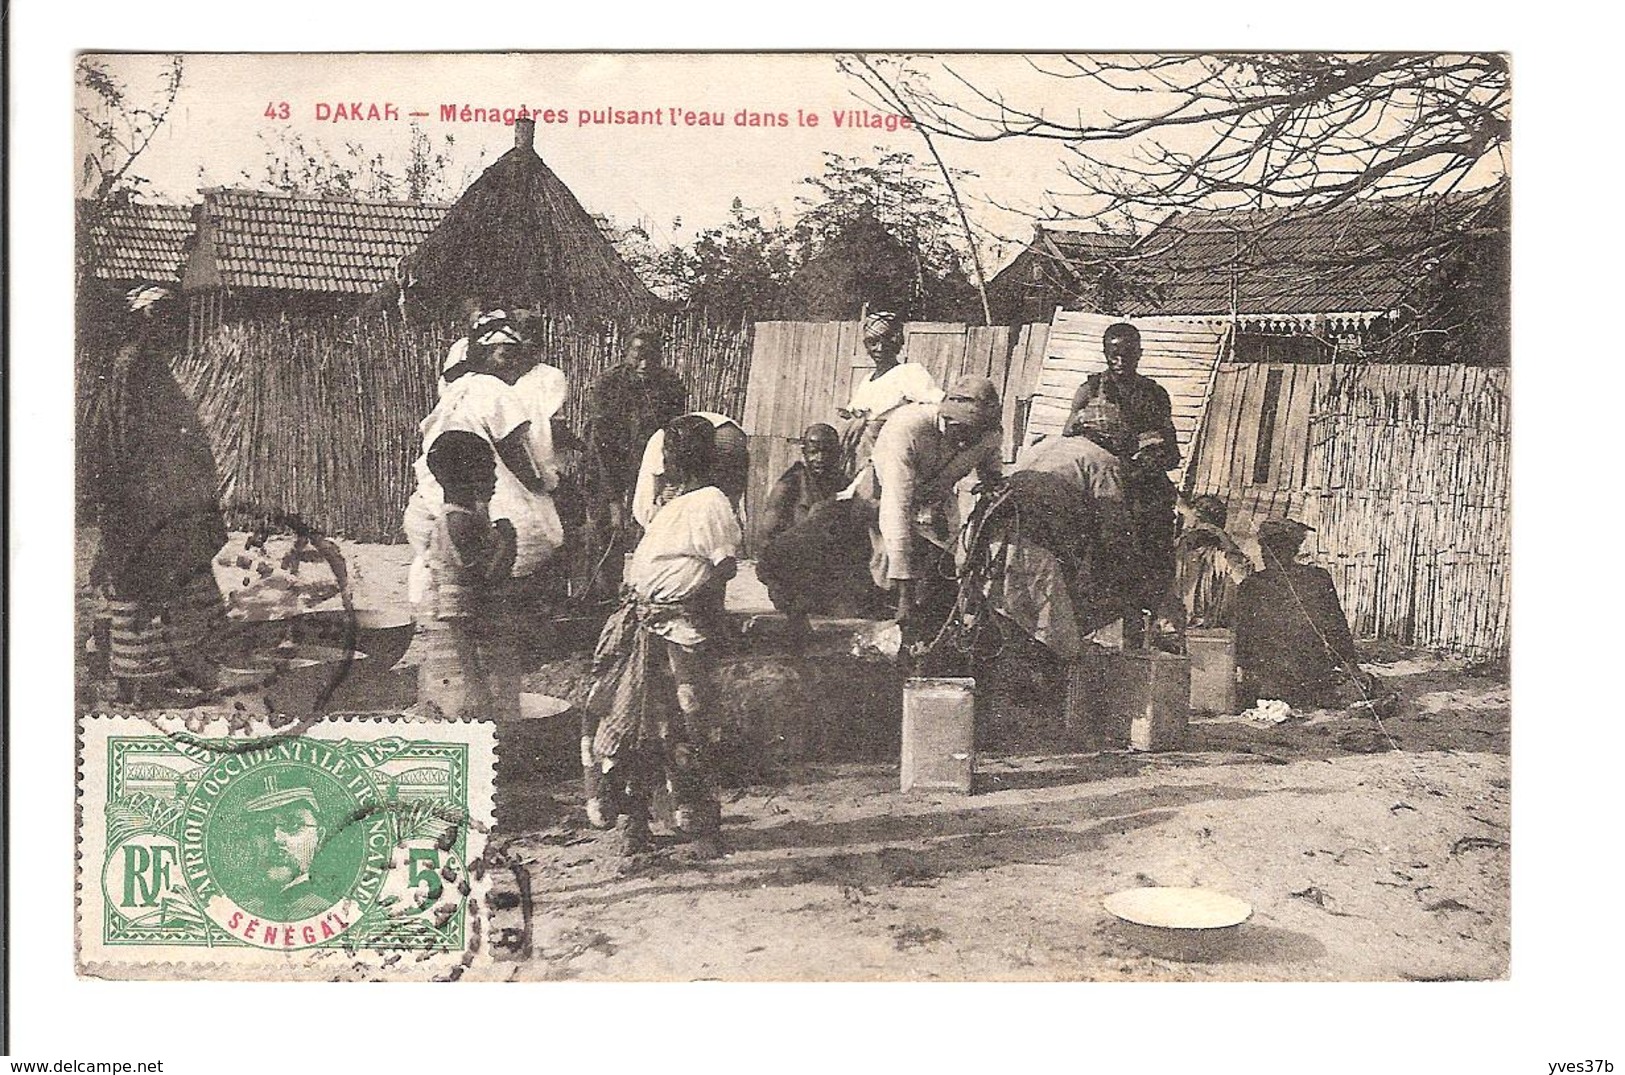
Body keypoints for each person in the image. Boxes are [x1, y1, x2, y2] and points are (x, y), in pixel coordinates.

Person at [580, 416, 742, 858]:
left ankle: (700, 823)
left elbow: (724, 565)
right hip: (644, 628)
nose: (675, 459)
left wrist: (686, 602)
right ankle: (636, 819)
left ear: (704, 457)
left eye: (684, 451)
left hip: (680, 630)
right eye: (672, 451)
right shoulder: (673, 503)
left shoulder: (711, 501)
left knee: (690, 725)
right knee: (638, 725)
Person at [403, 322, 562, 716]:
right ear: (483, 358)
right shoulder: (493, 390)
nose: (511, 361)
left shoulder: (455, 393)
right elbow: (514, 452)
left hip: (433, 500)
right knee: (537, 537)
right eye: (503, 354)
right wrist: (543, 485)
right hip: (464, 507)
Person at [80, 286, 228, 703]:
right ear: (148, 322)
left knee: (174, 573)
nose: (172, 329)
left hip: (160, 495)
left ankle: (161, 666)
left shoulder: (147, 367)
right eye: (164, 320)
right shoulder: (134, 368)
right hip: (143, 498)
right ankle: (140, 682)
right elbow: (128, 441)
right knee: (142, 578)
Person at [978, 395, 1137, 657]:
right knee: (1049, 636)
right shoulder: (1102, 459)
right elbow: (1114, 529)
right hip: (1034, 542)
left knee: (1003, 616)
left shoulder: (1045, 445)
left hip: (991, 535)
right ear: (1111, 437)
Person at [852, 374, 1004, 643]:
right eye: (963, 433)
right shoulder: (908, 427)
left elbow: (990, 466)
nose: (966, 443)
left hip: (933, 504)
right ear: (947, 419)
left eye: (976, 435)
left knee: (941, 583)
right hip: (879, 499)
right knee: (885, 577)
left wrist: (992, 483)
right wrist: (905, 596)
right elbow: (896, 508)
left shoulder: (987, 434)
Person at [1062, 322, 1180, 643]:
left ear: (1139, 353)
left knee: (1151, 571)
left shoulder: (1153, 394)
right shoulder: (1090, 392)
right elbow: (1069, 439)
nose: (1120, 359)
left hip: (1144, 493)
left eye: (1128, 353)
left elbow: (1171, 453)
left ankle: (1148, 635)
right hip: (1102, 489)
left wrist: (1148, 459)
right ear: (1104, 353)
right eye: (1114, 353)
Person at [411, 431, 518, 721]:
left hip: (476, 650)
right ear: (467, 475)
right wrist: (508, 541)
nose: (495, 479)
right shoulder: (460, 525)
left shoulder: (469, 520)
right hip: (464, 659)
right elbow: (457, 610)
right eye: (488, 470)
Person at [1233, 518, 1381, 709]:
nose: (1265, 554)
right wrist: (1350, 665)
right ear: (1295, 549)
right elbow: (1336, 628)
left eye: (1267, 548)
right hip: (1309, 680)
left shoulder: (1251, 585)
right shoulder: (1318, 578)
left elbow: (1242, 637)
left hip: (1264, 685)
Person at [583, 328, 689, 590]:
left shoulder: (670, 385)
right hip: (607, 465)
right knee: (607, 529)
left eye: (652, 356)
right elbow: (600, 445)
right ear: (625, 352)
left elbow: (674, 435)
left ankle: (648, 588)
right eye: (638, 354)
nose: (645, 364)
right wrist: (613, 501)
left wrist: (668, 480)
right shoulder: (607, 384)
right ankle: (604, 593)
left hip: (650, 465)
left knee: (655, 525)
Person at [754, 423, 848, 635]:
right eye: (814, 452)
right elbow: (765, 544)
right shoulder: (790, 486)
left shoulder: (842, 484)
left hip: (829, 578)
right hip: (793, 580)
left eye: (827, 451)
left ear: (838, 453)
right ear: (804, 452)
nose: (820, 458)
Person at [838, 310, 943, 477]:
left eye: (886, 341)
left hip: (889, 464)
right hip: (858, 460)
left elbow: (936, 408)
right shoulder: (867, 381)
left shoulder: (909, 373)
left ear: (897, 342)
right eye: (873, 342)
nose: (879, 348)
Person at [630, 411, 749, 529]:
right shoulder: (663, 440)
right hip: (731, 430)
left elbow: (648, 506)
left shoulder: (660, 443)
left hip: (717, 432)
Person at [241, 777, 332, 921]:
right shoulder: (239, 910)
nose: (276, 839)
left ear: (319, 837)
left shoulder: (332, 913)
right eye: (262, 829)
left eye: (293, 825)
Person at [1167, 494, 1252, 629]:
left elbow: (1243, 575)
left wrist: (1223, 538)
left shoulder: (1218, 555)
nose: (1186, 527)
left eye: (1193, 522)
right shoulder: (1179, 548)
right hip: (1172, 627)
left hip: (1204, 630)